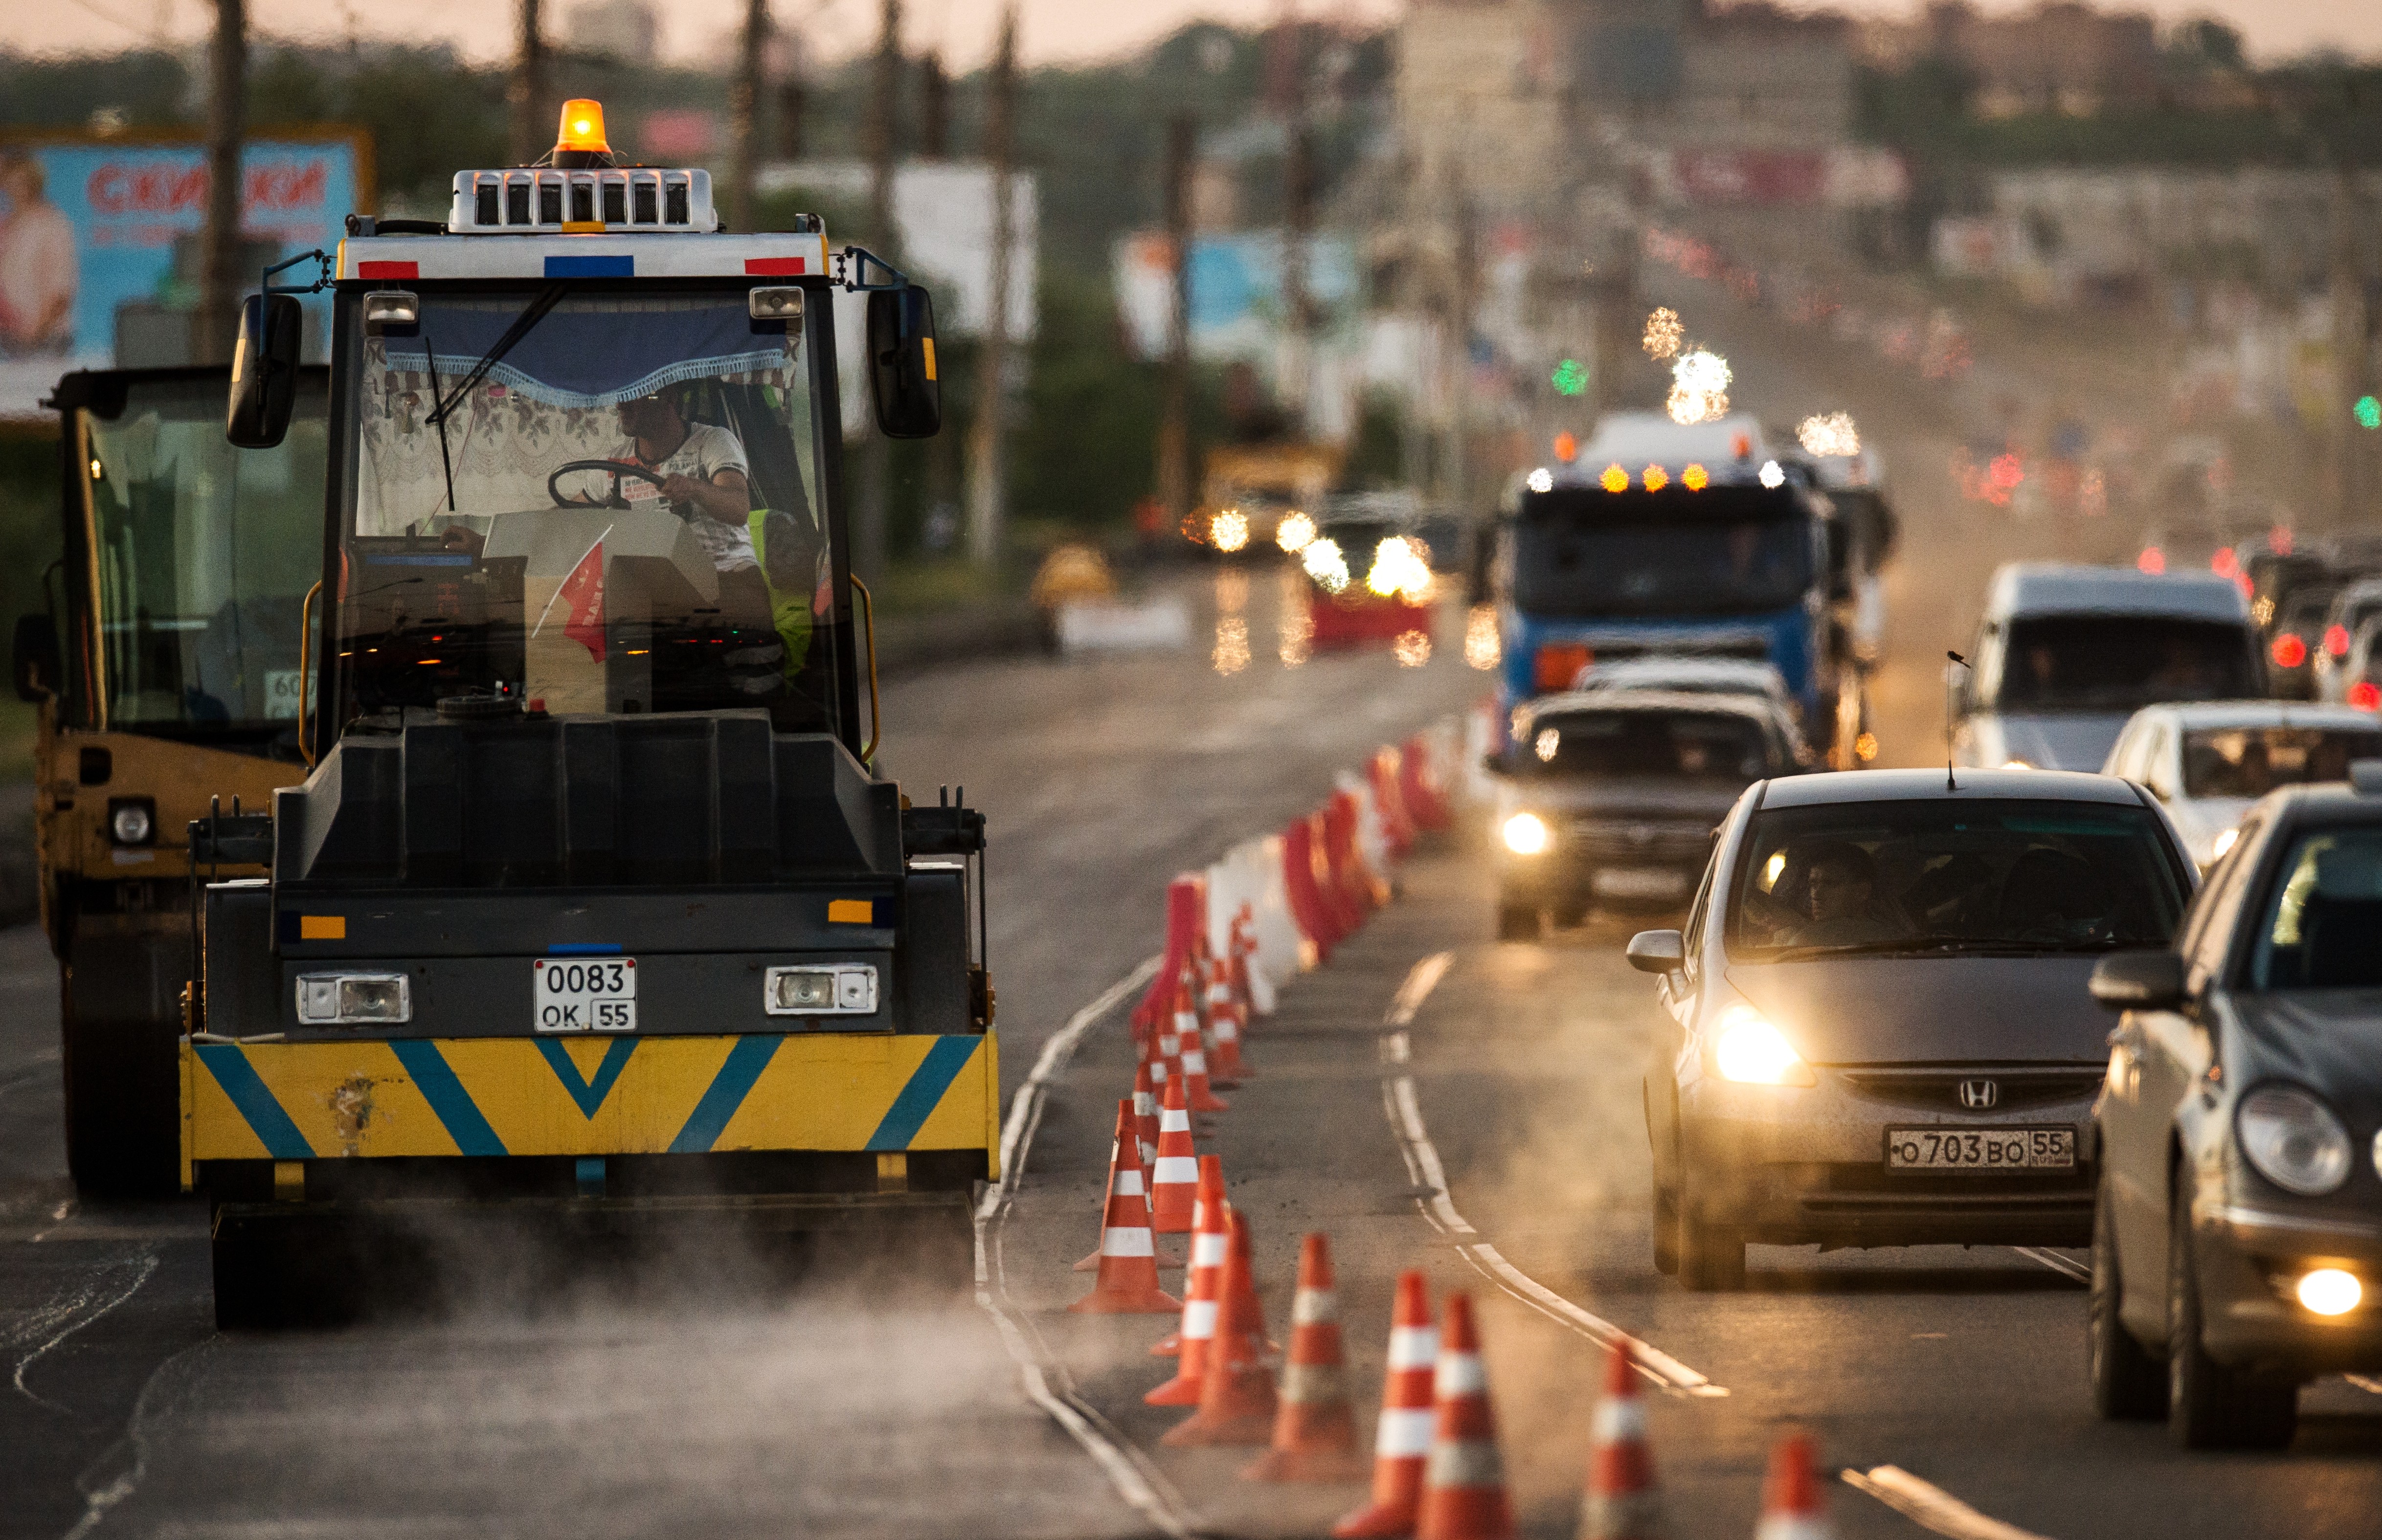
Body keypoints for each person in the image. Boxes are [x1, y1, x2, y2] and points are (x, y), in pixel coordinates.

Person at [0, 153, 76, 357]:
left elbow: (62, 293)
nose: (17, 186)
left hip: (44, 343)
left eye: (24, 180)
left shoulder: (53, 225)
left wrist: (34, 336)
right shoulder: (6, 226)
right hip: (8, 342)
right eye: (12, 178)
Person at [1780, 841, 1899, 948]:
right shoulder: (1787, 933)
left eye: (1830, 884)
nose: (1816, 895)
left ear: (1862, 891)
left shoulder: (1892, 945)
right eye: (1813, 884)